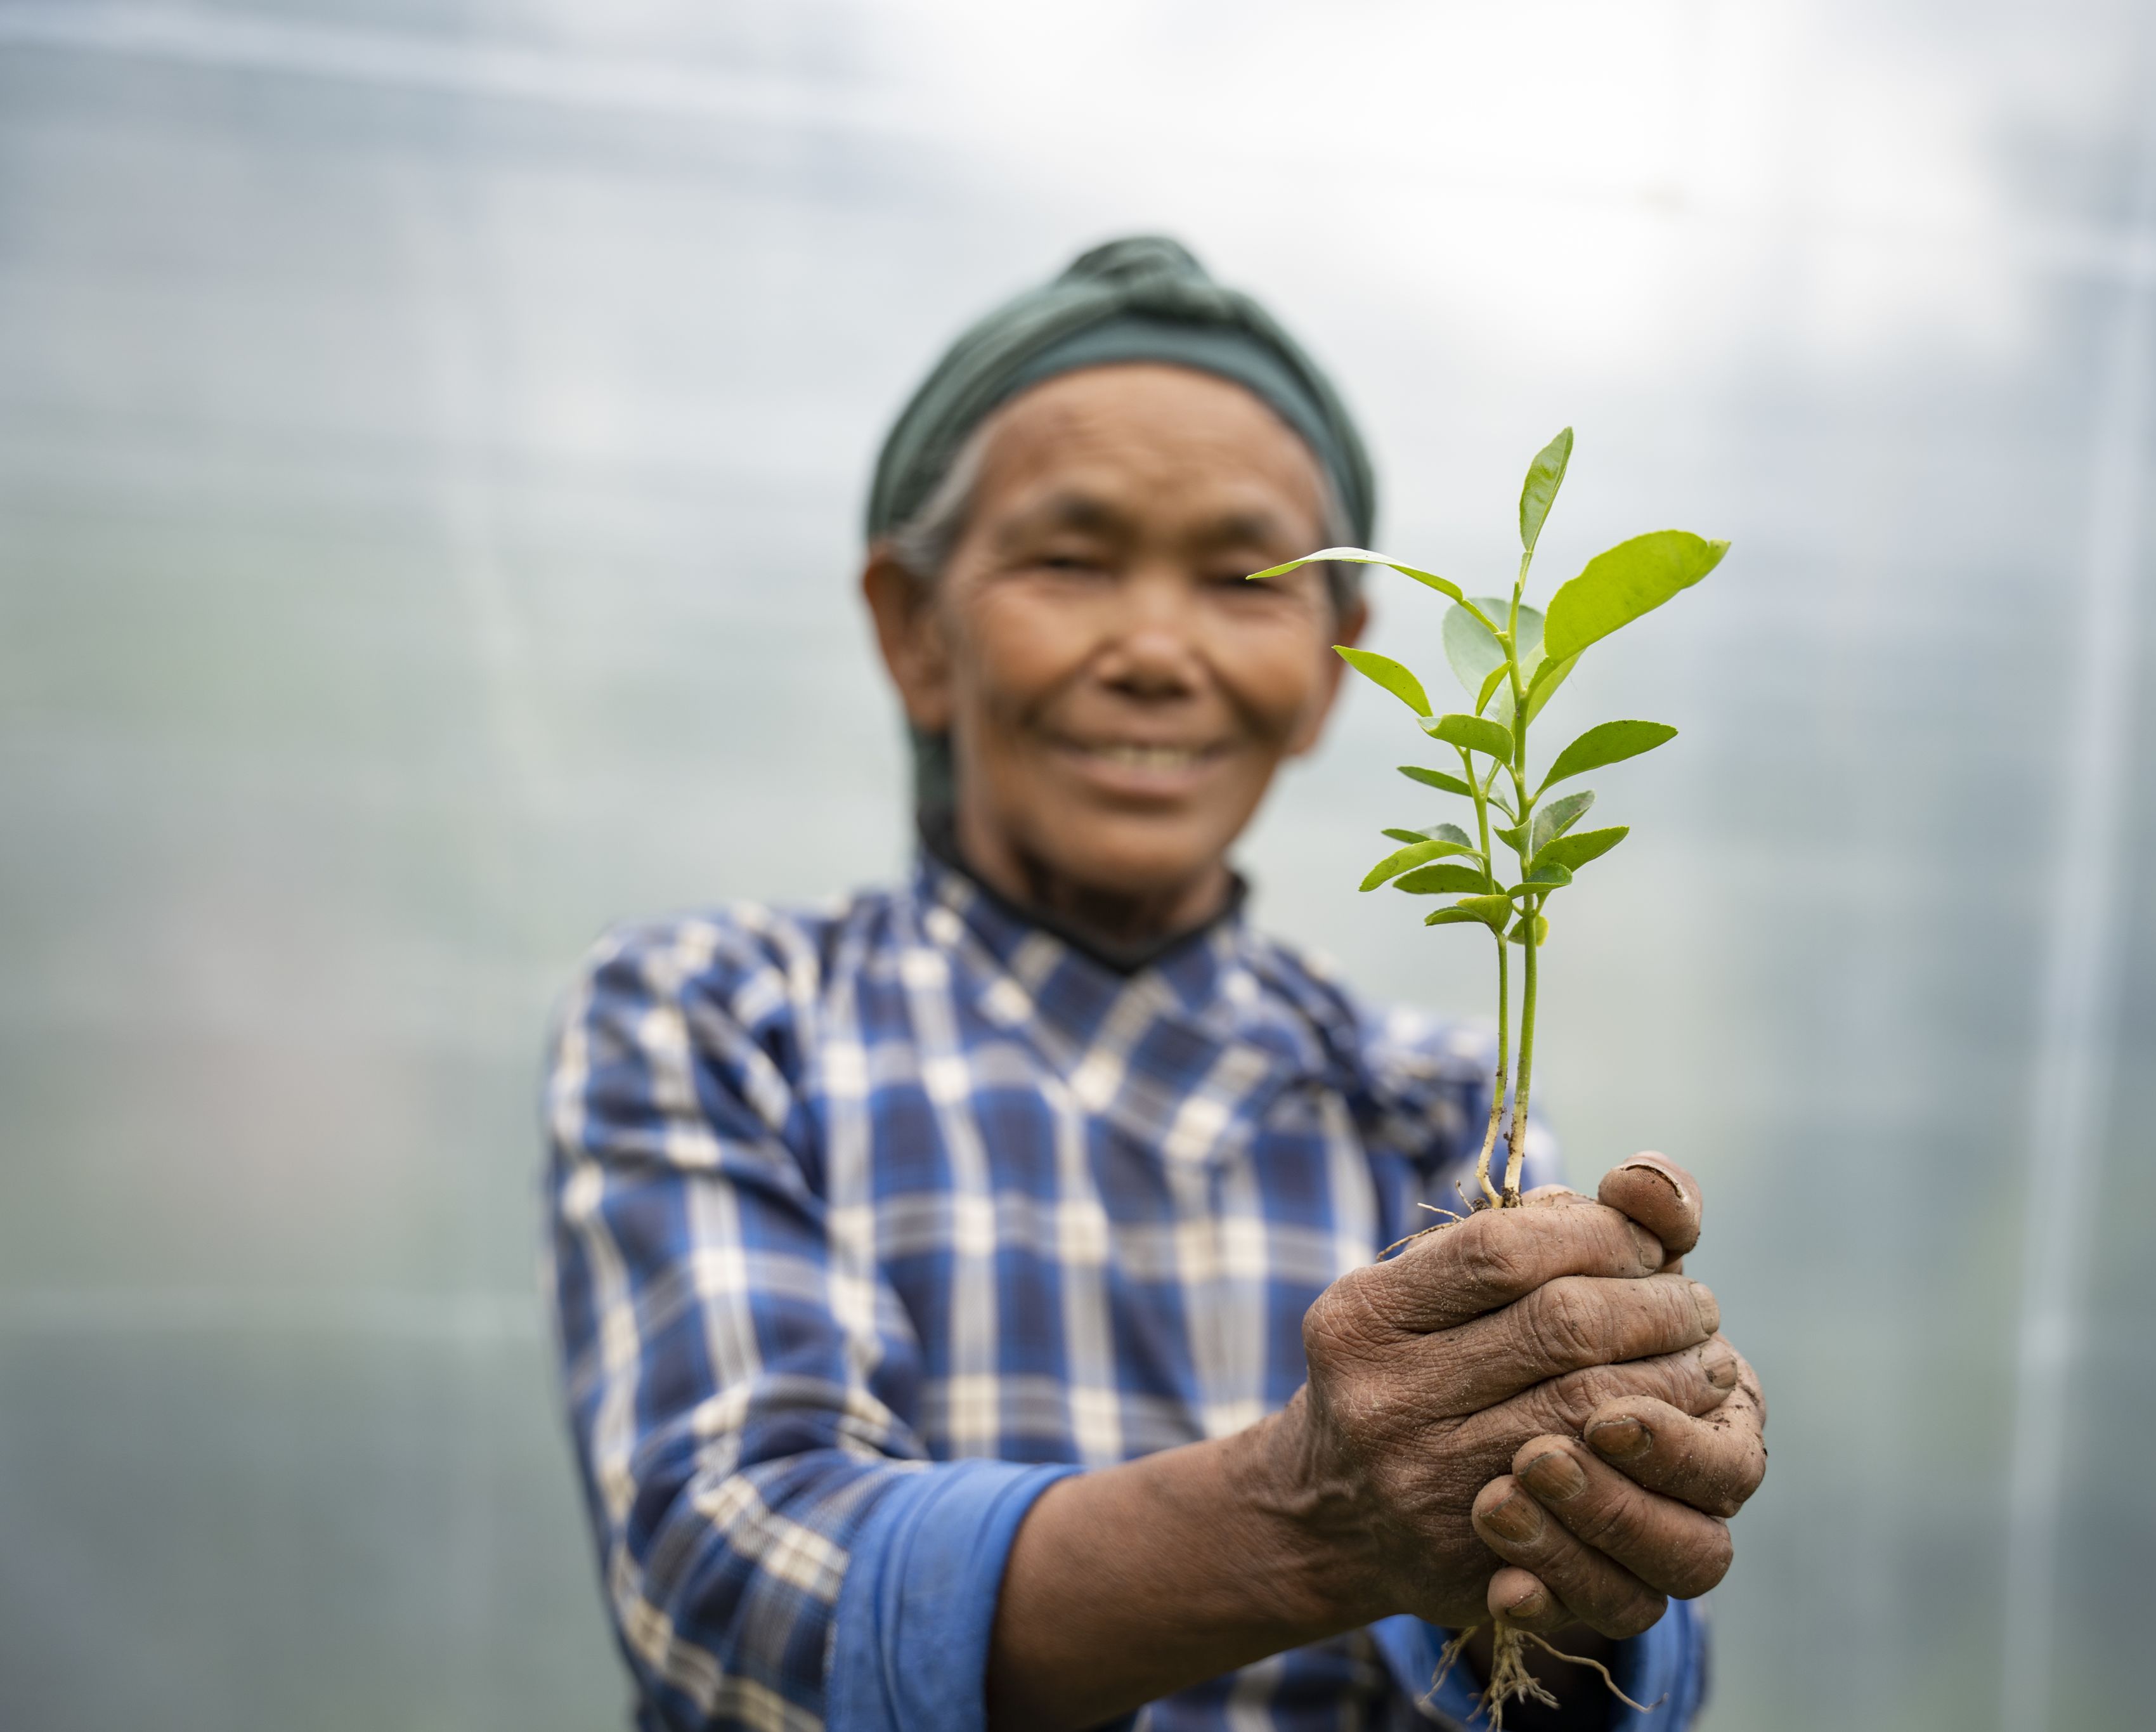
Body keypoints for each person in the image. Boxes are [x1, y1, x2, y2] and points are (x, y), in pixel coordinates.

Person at [544, 236, 1767, 1732]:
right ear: (913, 631)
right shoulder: (729, 1015)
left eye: (1246, 581)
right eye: (1068, 561)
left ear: (1330, 671)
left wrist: (1596, 1522)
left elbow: (1551, 1677)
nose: (1153, 650)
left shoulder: (1432, 1099)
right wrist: (1307, 1518)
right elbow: (731, 1583)